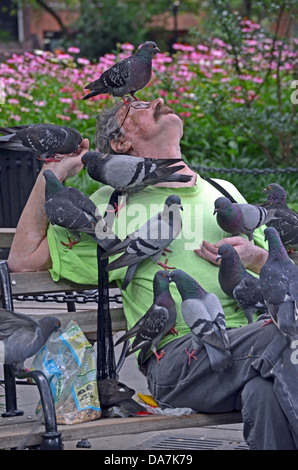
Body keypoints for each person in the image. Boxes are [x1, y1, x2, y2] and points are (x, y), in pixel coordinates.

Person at [8, 98, 298, 449]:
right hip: (181, 360)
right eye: (138, 107)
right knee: (287, 335)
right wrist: (51, 175)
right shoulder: (110, 207)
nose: (159, 100)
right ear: (121, 143)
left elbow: (276, 276)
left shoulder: (224, 192)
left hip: (248, 353)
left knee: (265, 394)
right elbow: (22, 261)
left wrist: (256, 257)